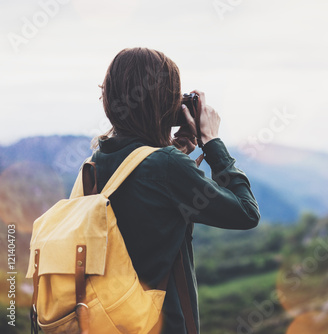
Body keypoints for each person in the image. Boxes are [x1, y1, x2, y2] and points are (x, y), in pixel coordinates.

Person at [89, 47, 260, 333]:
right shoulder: (166, 166)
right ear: (164, 103)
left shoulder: (97, 159)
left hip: (107, 320)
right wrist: (211, 141)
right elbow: (246, 212)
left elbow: (142, 191)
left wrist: (174, 149)